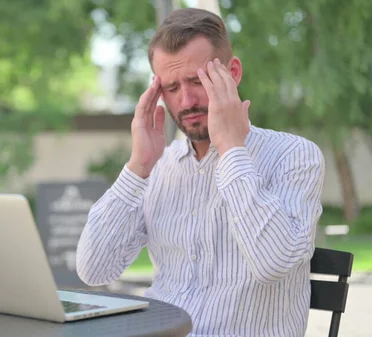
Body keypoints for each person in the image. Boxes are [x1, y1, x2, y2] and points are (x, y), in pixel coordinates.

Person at [76, 7, 325, 337]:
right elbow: (94, 270)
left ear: (232, 72)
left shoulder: (294, 156)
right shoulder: (159, 167)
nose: (187, 100)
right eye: (172, 87)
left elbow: (274, 263)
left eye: (198, 80)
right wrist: (138, 167)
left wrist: (232, 151)